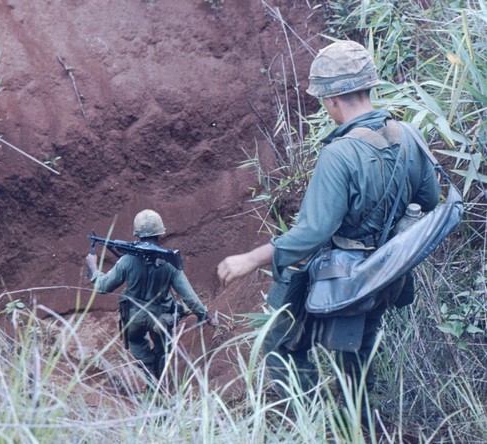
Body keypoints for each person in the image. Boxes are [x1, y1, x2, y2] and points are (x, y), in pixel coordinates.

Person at [217, 41, 440, 413]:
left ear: (332, 100)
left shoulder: (340, 154)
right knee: (357, 365)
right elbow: (430, 202)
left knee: (280, 344)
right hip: (388, 273)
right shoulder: (408, 138)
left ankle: (305, 421)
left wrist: (251, 259)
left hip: (345, 280)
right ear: (368, 86)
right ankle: (360, 425)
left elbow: (313, 233)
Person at [86, 209, 217, 387]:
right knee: (163, 348)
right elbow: (189, 296)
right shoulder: (169, 264)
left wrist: (94, 269)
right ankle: (161, 376)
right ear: (161, 234)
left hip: (134, 319)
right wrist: (204, 315)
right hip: (161, 319)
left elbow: (102, 287)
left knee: (136, 341)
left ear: (137, 234)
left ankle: (149, 371)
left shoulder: (126, 261)